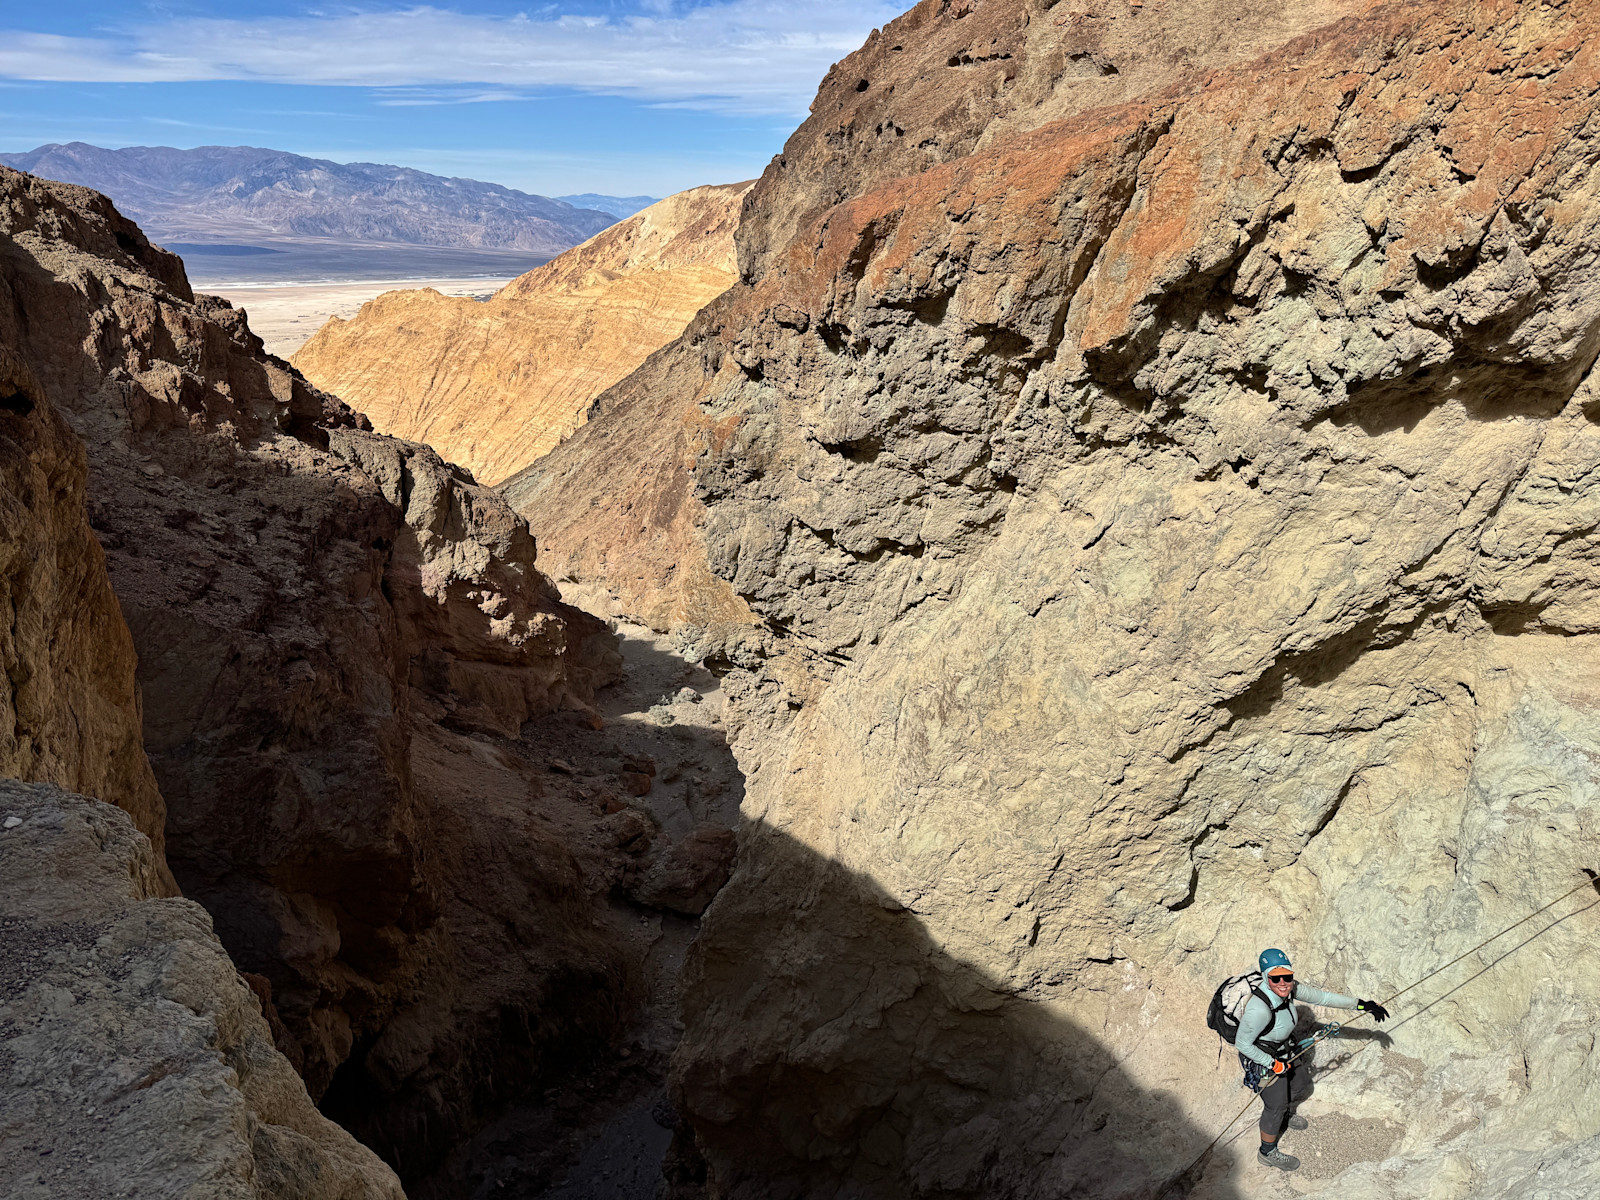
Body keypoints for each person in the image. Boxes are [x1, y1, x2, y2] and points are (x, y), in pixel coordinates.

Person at [1235, 948, 1390, 1171]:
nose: (1283, 983)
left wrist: (1362, 1004)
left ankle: (1285, 1116)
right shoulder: (1258, 1009)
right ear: (1265, 977)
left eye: (1287, 976)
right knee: (1275, 1105)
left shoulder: (1290, 989)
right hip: (1264, 1059)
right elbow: (1243, 1044)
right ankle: (1267, 1152)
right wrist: (1272, 1064)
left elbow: (1324, 998)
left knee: (1299, 1084)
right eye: (1275, 977)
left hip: (1284, 1050)